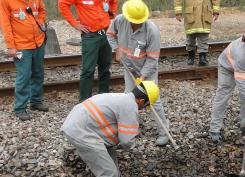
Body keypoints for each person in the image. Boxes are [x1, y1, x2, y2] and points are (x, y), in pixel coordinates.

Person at [61, 81, 160, 177]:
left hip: (81, 123)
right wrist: (131, 141)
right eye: (145, 106)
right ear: (141, 101)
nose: (143, 109)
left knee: (110, 153)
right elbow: (126, 141)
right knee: (108, 172)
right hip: (81, 131)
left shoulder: (123, 97)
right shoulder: (130, 106)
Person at [107, 0, 170, 146]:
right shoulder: (119, 20)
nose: (136, 24)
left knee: (153, 100)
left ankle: (164, 131)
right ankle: (131, 129)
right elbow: (110, 34)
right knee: (129, 98)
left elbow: (153, 58)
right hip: (128, 67)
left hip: (147, 70)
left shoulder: (152, 31)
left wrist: (142, 77)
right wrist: (116, 49)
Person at [209, 28, 245, 143]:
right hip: (227, 67)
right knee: (223, 96)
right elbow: (241, 83)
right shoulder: (241, 54)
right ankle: (214, 129)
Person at [0, 0, 49, 121]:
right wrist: (11, 46)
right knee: (24, 76)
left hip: (38, 42)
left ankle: (36, 101)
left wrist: (40, 21)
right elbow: (5, 23)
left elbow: (42, 10)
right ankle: (20, 108)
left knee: (38, 73)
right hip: (21, 45)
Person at [59, 0, 118, 102]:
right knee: (88, 70)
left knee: (105, 67)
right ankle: (85, 101)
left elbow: (113, 1)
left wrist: (111, 12)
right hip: (90, 36)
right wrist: (75, 24)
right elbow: (62, 4)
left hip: (106, 33)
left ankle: (104, 97)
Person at [174, 0, 221, 66]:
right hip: (191, 15)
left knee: (203, 39)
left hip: (205, 15)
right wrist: (178, 12)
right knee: (190, 39)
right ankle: (191, 57)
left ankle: (202, 58)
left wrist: (216, 12)